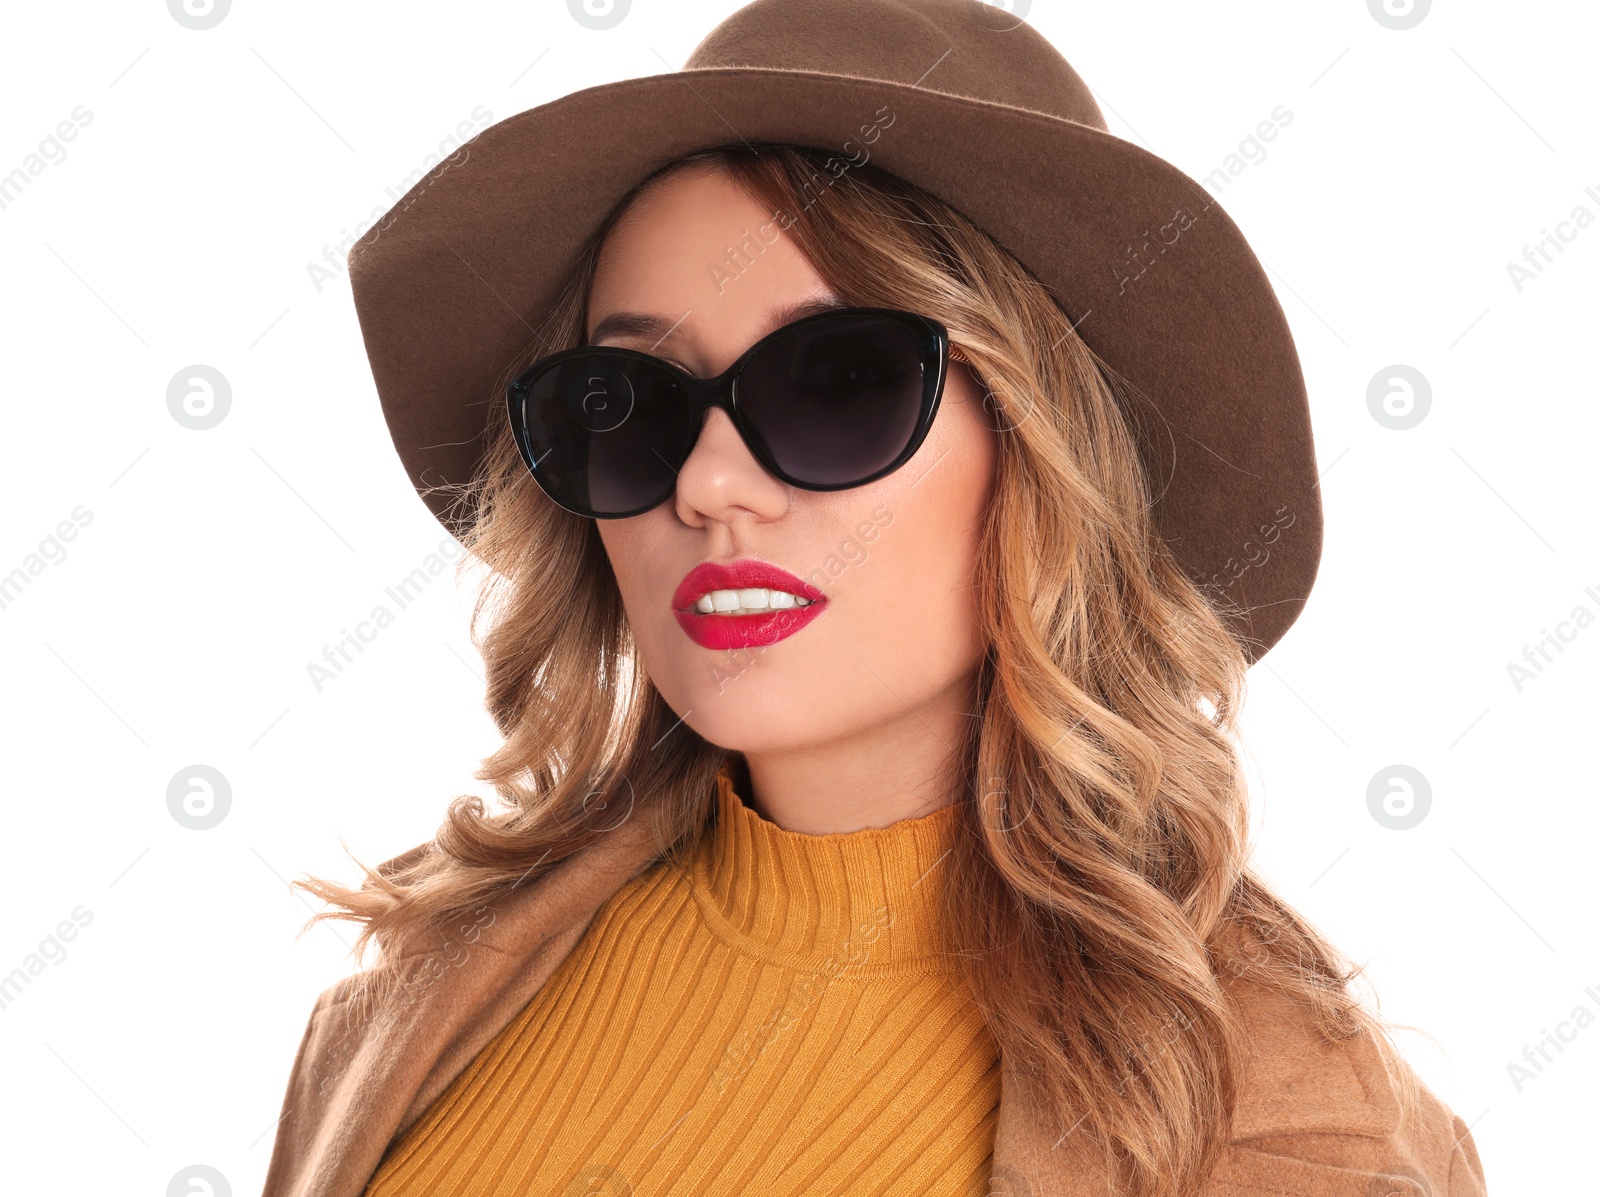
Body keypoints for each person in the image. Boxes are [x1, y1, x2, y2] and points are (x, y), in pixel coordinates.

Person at [262, 3, 1488, 1195]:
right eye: (626, 401)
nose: (708, 482)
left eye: (835, 383)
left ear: (1042, 455)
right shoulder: (410, 1005)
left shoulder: (1283, 1128)